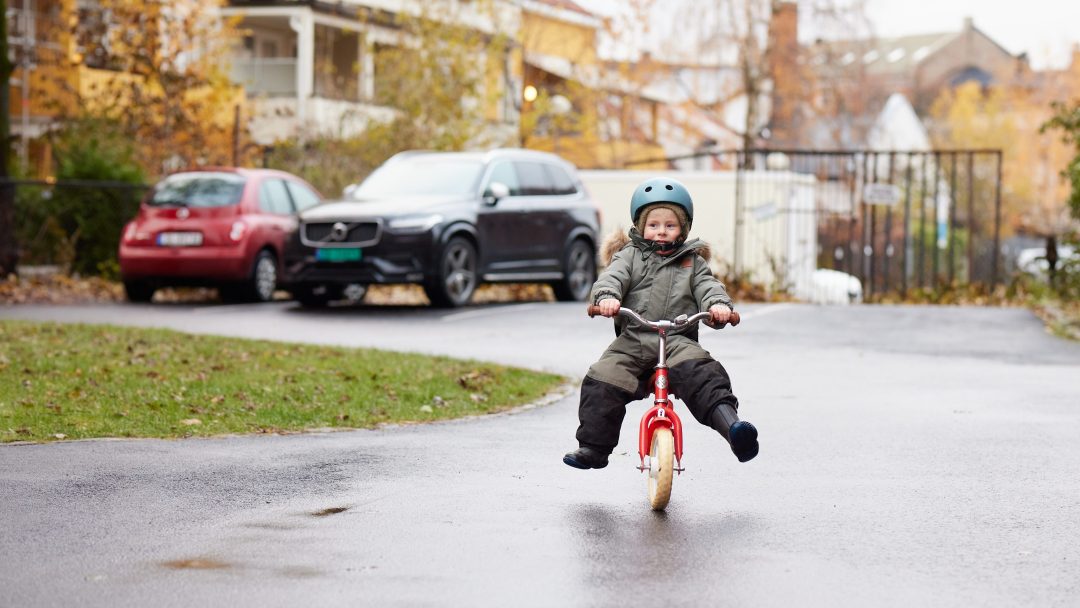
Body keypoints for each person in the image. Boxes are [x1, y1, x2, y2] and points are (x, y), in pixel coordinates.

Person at [563, 176, 759, 470]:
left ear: (683, 229)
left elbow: (709, 286)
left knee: (705, 376)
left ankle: (734, 430)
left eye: (670, 225)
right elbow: (611, 278)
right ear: (641, 226)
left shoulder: (692, 263)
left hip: (678, 340)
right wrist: (607, 297)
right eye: (654, 225)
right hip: (633, 341)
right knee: (602, 378)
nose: (662, 232)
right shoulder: (628, 256)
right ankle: (593, 448)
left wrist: (718, 306)